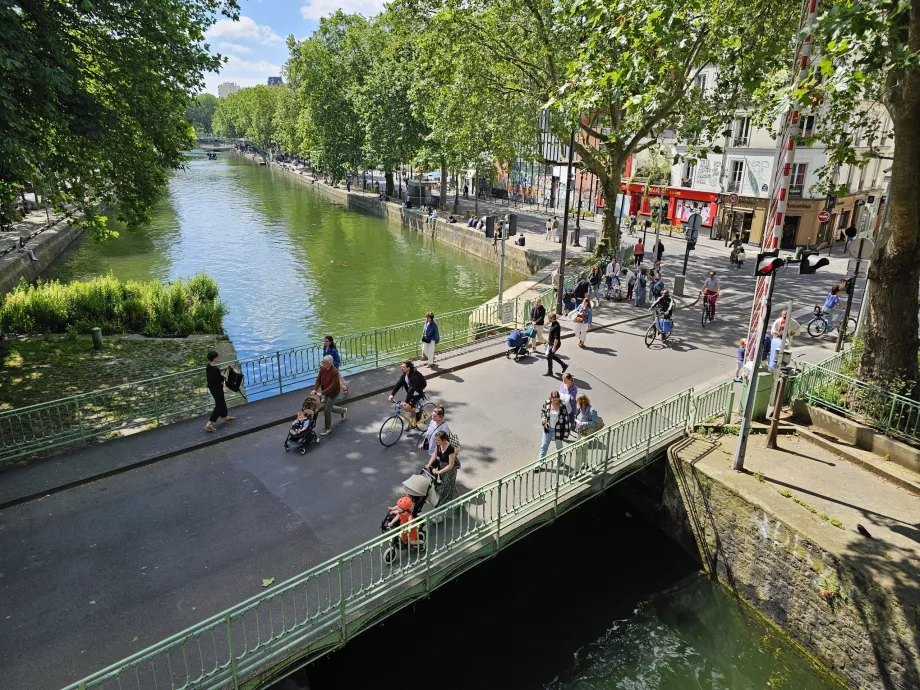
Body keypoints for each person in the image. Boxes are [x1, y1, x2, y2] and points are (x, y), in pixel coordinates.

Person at [311, 355, 347, 436]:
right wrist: (314, 389)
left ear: (330, 363)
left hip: (333, 392)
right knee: (329, 407)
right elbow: (318, 380)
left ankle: (327, 428)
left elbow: (332, 386)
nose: (323, 364)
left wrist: (322, 393)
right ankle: (343, 411)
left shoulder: (334, 371)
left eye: (325, 363)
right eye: (323, 362)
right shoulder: (322, 368)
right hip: (326, 391)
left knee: (327, 409)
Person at [204, 350, 235, 432]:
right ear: (214, 359)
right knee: (219, 405)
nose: (218, 358)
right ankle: (209, 424)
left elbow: (216, 371)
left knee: (221, 402)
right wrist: (227, 372)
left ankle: (226, 417)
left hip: (212, 388)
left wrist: (224, 368)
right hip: (217, 388)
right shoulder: (215, 370)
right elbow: (222, 378)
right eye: (217, 357)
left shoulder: (209, 366)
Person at [426, 430, 459, 507]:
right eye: (435, 439)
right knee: (450, 485)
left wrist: (439, 472)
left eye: (438, 440)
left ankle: (440, 505)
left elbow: (451, 465)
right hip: (442, 467)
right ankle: (457, 501)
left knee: (445, 486)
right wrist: (429, 463)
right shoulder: (438, 445)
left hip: (450, 470)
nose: (436, 441)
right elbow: (435, 454)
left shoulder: (450, 449)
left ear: (444, 440)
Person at [538, 390, 570, 465]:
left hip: (558, 429)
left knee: (558, 446)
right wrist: (545, 422)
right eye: (554, 400)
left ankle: (559, 460)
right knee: (544, 446)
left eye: (557, 400)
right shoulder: (547, 403)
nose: (556, 401)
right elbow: (543, 413)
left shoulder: (562, 406)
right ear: (550, 398)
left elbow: (566, 419)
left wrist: (566, 432)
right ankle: (540, 463)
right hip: (548, 429)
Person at [543, 312, 567, 377]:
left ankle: (550, 372)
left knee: (549, 356)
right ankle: (563, 365)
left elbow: (556, 338)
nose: (548, 319)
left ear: (553, 318)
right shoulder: (553, 323)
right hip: (551, 343)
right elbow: (551, 335)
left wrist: (554, 347)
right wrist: (547, 343)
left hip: (554, 344)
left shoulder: (556, 326)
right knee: (551, 356)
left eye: (549, 318)